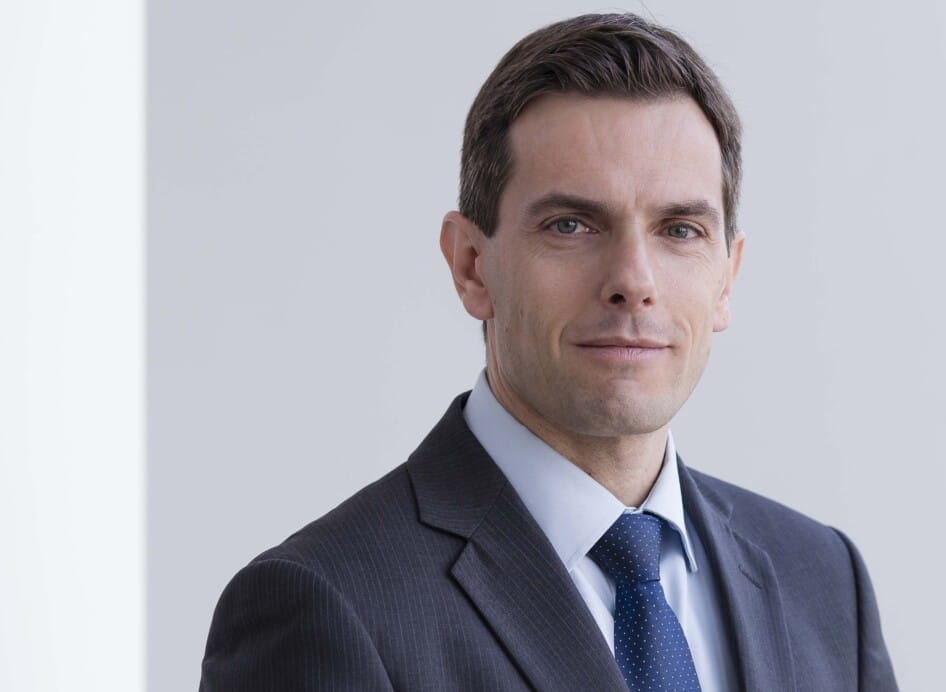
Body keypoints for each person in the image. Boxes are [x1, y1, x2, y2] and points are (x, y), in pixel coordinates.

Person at [200, 13, 898, 691]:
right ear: (471, 266)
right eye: (571, 225)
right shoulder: (327, 604)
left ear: (727, 278)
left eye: (680, 230)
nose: (633, 280)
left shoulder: (824, 580)